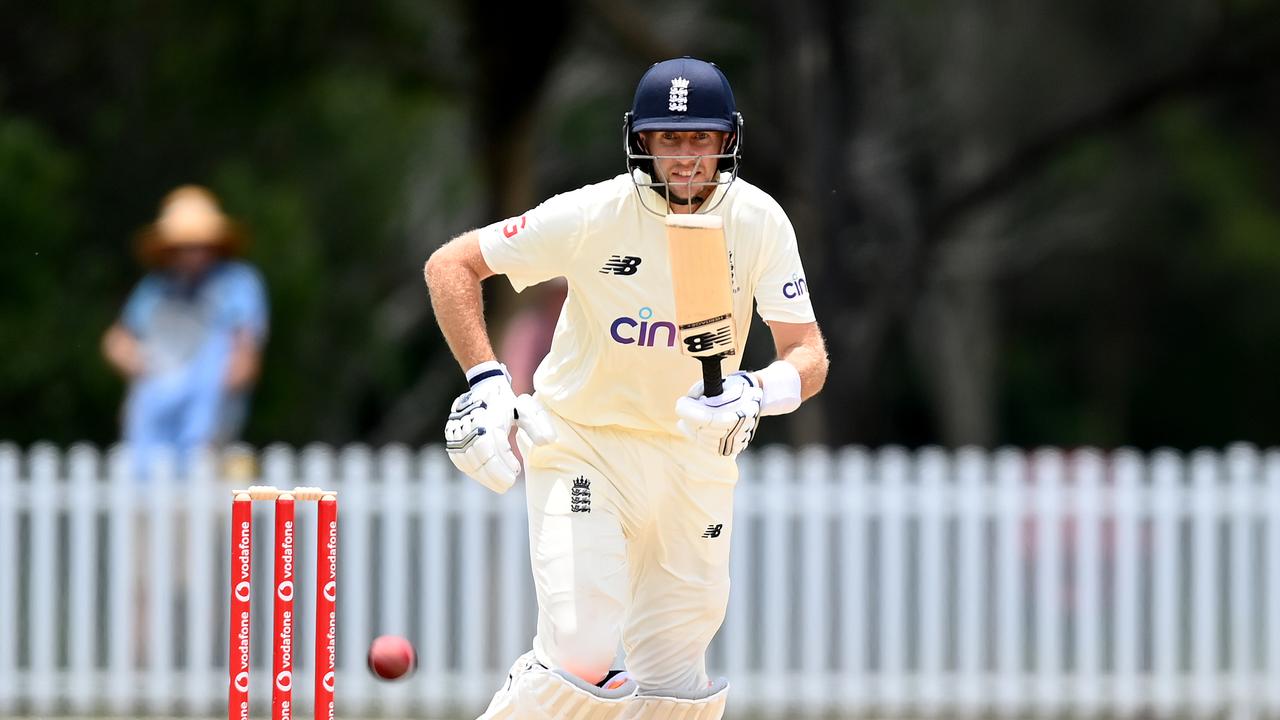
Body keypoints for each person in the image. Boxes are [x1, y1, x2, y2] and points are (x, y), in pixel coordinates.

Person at [424, 57, 828, 719]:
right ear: (640, 141)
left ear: (728, 139)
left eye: (700, 138)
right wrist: (489, 381)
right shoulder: (595, 215)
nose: (688, 159)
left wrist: (758, 390)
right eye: (670, 139)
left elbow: (807, 352)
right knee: (582, 654)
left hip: (695, 459)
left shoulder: (758, 221)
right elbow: (452, 266)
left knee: (673, 680)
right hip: (586, 445)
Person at [102, 185, 268, 473]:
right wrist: (152, 371)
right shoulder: (156, 288)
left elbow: (245, 355)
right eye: (183, 246)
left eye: (198, 244)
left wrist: (208, 387)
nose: (192, 253)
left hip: (210, 419)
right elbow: (118, 341)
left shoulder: (238, 284)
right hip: (154, 416)